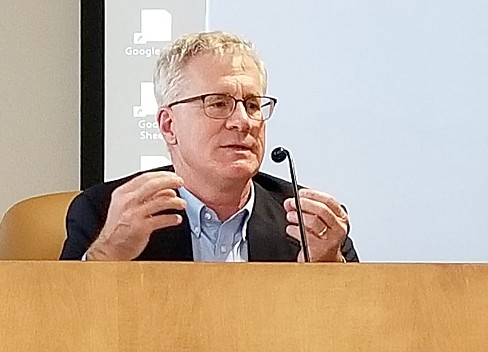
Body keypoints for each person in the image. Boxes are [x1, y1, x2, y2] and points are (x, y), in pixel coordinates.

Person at [60, 31, 359, 262]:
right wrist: (107, 255)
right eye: (218, 103)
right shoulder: (102, 213)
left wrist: (328, 271)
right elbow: (57, 331)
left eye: (253, 104)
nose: (243, 121)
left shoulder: (309, 226)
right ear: (168, 125)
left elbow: (362, 333)